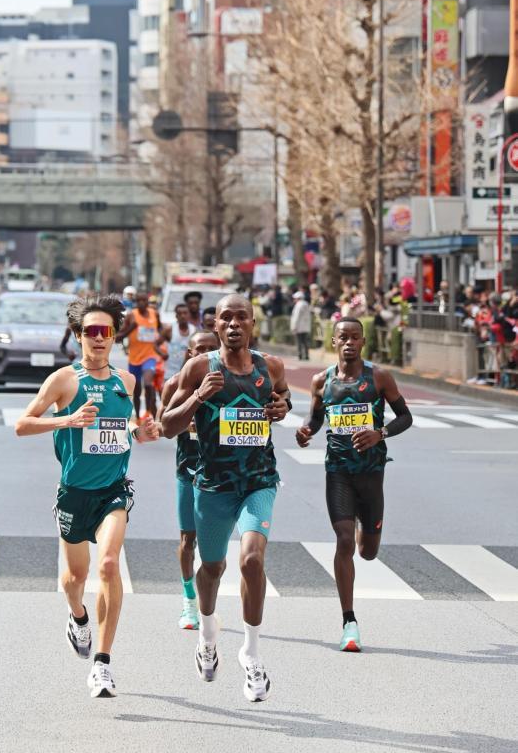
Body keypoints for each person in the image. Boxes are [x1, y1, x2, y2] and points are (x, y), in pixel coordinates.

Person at [15, 294, 159, 698]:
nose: (99, 339)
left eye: (106, 332)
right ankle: (77, 615)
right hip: (74, 493)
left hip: (113, 491)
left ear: (115, 337)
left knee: (110, 565)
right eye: (91, 332)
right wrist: (69, 419)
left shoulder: (126, 380)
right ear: (79, 336)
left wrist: (139, 432)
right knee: (75, 579)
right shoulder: (64, 380)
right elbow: (22, 424)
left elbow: (124, 424)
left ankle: (103, 663)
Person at [162, 294, 291, 703]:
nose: (234, 324)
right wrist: (199, 395)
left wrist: (281, 407)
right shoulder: (199, 367)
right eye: (226, 318)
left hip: (258, 481)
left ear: (253, 324)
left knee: (252, 561)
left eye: (242, 318)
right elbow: (167, 426)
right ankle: (207, 633)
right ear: (215, 325)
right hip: (213, 484)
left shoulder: (271, 366)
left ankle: (251, 654)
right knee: (212, 568)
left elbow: (283, 398)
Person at [296, 317, 413, 652]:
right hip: (338, 472)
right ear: (333, 342)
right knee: (344, 541)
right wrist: (306, 431)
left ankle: (368, 524)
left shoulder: (378, 377)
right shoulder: (322, 381)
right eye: (342, 337)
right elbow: (316, 419)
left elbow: (406, 416)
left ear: (363, 342)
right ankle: (349, 621)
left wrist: (381, 433)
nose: (348, 343)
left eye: (354, 338)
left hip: (372, 473)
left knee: (368, 551)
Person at [157, 330, 220, 631]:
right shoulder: (174, 385)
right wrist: (186, 419)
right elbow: (162, 424)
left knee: (213, 548)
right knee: (188, 540)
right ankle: (188, 599)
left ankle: (207, 601)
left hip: (221, 476)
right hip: (188, 470)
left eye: (212, 349)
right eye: (200, 350)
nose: (205, 355)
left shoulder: (229, 384)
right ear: (189, 354)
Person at [116, 291, 162, 419]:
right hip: (134, 359)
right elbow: (118, 337)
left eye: (144, 301)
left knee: (148, 384)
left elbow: (160, 330)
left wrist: (159, 344)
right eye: (139, 301)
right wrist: (131, 328)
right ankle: (138, 416)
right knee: (136, 391)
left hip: (150, 356)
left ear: (147, 302)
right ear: (135, 302)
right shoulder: (131, 316)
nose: (142, 303)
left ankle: (147, 413)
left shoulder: (155, 314)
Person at [162, 302, 196, 380]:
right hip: (170, 371)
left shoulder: (194, 330)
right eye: (180, 314)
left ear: (189, 315)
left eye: (185, 313)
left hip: (187, 371)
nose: (182, 316)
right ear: (176, 316)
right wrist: (162, 354)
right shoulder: (169, 329)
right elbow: (156, 344)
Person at [290, 290, 311, 361]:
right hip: (305, 327)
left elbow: (296, 317)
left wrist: (294, 326)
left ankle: (300, 355)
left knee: (299, 341)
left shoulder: (298, 305)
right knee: (305, 341)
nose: (294, 300)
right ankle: (306, 355)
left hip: (299, 326)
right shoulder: (306, 304)